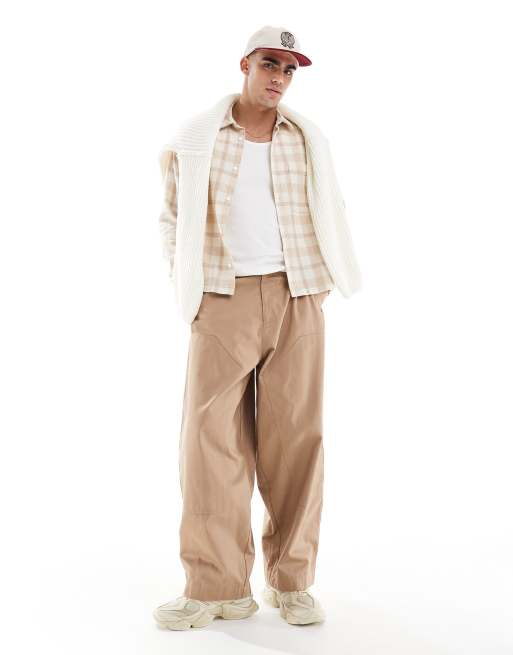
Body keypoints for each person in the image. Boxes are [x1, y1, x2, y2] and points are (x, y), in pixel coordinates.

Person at [153, 25, 362, 631]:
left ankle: (292, 583)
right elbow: (171, 217)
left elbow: (331, 208)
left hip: (298, 294)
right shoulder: (197, 137)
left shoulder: (306, 138)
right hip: (223, 297)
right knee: (208, 445)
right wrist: (188, 288)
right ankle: (215, 587)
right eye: (271, 63)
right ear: (245, 64)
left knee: (296, 442)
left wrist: (322, 281)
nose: (280, 77)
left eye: (289, 69)